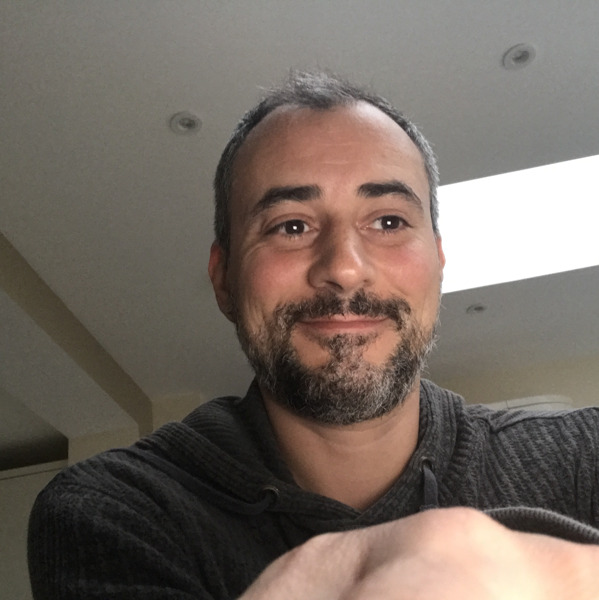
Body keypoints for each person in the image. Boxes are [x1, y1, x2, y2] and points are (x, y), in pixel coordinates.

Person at [28, 71, 599, 599]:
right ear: (224, 279)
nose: (345, 268)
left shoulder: (584, 457)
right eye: (291, 226)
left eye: (389, 221)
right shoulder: (117, 510)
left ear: (440, 260)